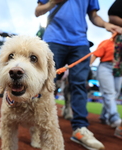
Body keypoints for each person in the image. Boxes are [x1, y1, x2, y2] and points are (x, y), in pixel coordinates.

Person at [35, 0, 122, 149]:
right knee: (46, 84)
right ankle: (38, 127)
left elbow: (93, 16)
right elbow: (38, 11)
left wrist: (105, 24)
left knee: (80, 84)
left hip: (80, 43)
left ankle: (80, 128)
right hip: (53, 39)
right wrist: (53, 3)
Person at [90, 35, 121, 128]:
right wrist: (87, 67)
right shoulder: (107, 42)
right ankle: (114, 118)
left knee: (115, 94)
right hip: (106, 66)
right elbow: (95, 55)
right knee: (109, 93)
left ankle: (104, 116)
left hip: (119, 68)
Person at [108, 0, 122, 139]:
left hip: (117, 64)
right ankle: (113, 118)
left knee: (115, 92)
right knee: (111, 92)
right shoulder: (108, 44)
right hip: (110, 63)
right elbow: (112, 15)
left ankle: (105, 115)